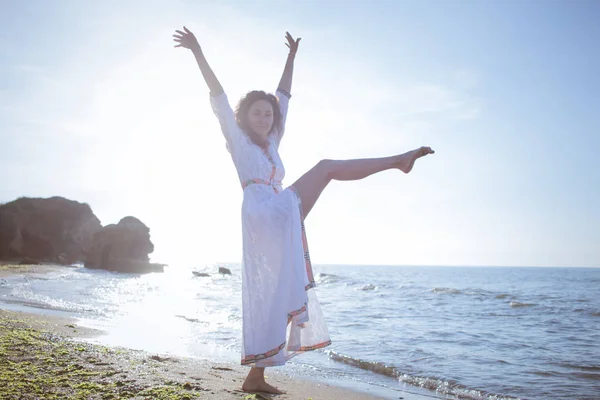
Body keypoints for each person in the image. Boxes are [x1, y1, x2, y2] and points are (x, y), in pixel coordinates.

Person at [173, 26, 434, 394]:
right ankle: (397, 161)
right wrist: (198, 51)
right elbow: (218, 95)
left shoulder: (274, 142)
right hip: (263, 212)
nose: (264, 118)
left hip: (274, 211)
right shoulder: (236, 139)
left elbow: (284, 96)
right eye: (256, 114)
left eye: (268, 115)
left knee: (279, 290)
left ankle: (256, 377)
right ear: (244, 118)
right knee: (326, 167)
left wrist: (291, 58)